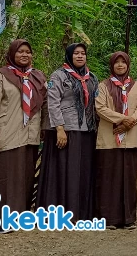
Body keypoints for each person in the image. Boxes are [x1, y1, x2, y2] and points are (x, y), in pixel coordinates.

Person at [0, 39, 48, 233]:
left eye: (28, 52)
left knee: (24, 176)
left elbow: (45, 104)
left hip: (30, 134)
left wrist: (45, 129)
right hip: (6, 132)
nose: (24, 55)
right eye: (20, 51)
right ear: (12, 53)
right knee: (3, 176)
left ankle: (19, 216)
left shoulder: (37, 77)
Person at [37, 43, 99, 222]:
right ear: (69, 56)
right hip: (64, 130)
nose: (80, 56)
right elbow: (52, 102)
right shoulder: (59, 76)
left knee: (82, 171)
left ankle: (81, 212)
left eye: (83, 53)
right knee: (63, 171)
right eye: (76, 54)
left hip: (86, 130)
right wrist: (59, 129)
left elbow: (96, 104)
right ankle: (59, 212)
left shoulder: (92, 77)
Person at [94, 51, 137, 230]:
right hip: (109, 139)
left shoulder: (136, 86)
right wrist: (123, 119)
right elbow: (100, 108)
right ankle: (108, 218)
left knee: (129, 178)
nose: (120, 65)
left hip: (130, 140)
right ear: (112, 65)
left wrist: (130, 121)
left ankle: (128, 218)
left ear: (128, 65)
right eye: (117, 62)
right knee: (109, 178)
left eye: (123, 62)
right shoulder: (103, 86)